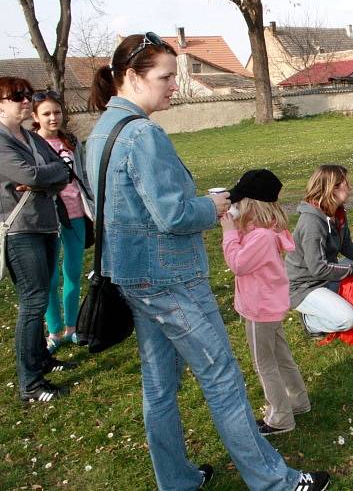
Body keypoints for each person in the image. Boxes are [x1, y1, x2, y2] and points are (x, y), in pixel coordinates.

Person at [86, 33, 329, 491]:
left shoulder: (99, 133)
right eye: (164, 77)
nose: (173, 86)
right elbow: (173, 214)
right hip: (170, 281)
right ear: (131, 77)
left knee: (159, 387)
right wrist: (213, 204)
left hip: (134, 278)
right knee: (222, 378)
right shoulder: (141, 134)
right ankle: (274, 482)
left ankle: (176, 480)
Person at [1, 77, 76, 403]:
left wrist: (41, 179)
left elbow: (64, 170)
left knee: (42, 293)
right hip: (20, 229)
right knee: (33, 302)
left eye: (27, 95)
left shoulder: (31, 138)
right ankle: (30, 383)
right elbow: (30, 175)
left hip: (46, 225)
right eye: (17, 96)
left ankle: (41, 361)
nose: (25, 101)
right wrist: (42, 177)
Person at [220, 169, 310, 437]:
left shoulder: (261, 237)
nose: (233, 208)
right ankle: (299, 401)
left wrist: (228, 233)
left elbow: (237, 264)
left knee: (265, 364)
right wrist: (237, 228)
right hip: (269, 307)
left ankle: (280, 417)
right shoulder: (263, 230)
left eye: (237, 203)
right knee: (281, 357)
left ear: (250, 204)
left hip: (259, 310)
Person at [32, 91, 94, 354]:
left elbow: (85, 176)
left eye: (56, 112)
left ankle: (71, 328)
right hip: (47, 219)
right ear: (35, 117)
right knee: (50, 277)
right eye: (46, 113)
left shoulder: (72, 141)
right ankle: (54, 330)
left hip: (76, 215)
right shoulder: (31, 145)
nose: (53, 118)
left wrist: (93, 205)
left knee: (73, 271)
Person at [286, 164, 353, 337]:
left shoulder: (337, 212)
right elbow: (318, 268)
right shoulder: (311, 222)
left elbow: (346, 245)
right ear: (333, 188)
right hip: (306, 286)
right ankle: (310, 322)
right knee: (348, 319)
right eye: (346, 183)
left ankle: (339, 299)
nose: (350, 187)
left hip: (327, 276)